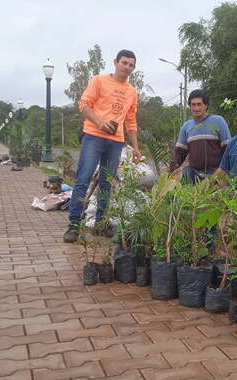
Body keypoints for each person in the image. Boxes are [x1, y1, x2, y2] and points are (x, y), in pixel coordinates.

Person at [63, 49, 142, 243]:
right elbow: (84, 105)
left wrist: (136, 147)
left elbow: (131, 121)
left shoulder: (132, 92)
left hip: (116, 141)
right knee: (84, 177)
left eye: (131, 65)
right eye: (124, 63)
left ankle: (100, 223)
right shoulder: (99, 80)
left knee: (107, 182)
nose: (127, 67)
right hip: (93, 136)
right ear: (115, 62)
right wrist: (100, 123)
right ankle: (74, 224)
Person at [169, 90, 231, 183]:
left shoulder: (219, 121)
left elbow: (228, 150)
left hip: (216, 171)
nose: (196, 108)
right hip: (194, 172)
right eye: (193, 105)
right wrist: (172, 167)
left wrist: (222, 171)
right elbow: (180, 153)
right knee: (181, 176)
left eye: (199, 104)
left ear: (206, 106)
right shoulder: (186, 126)